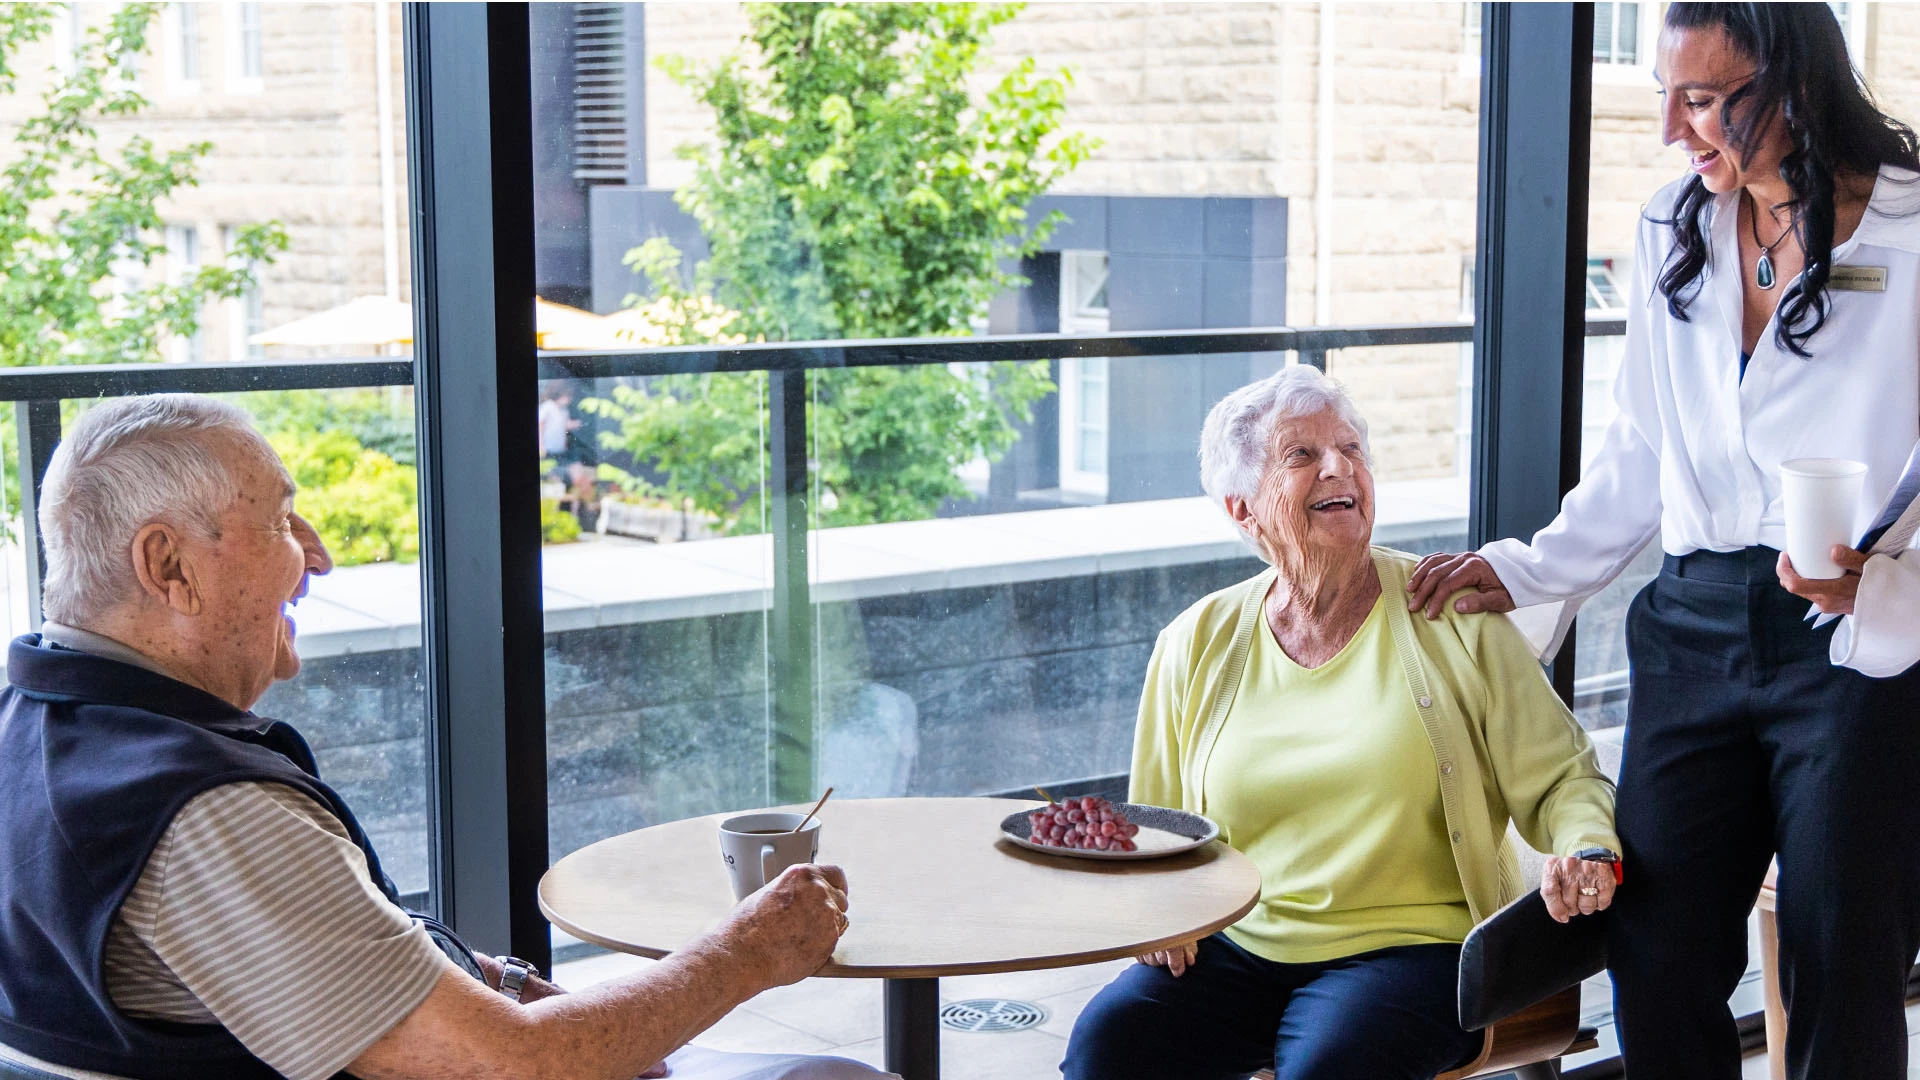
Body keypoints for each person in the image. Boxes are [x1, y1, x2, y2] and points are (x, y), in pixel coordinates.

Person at [0, 395, 891, 1080]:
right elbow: (513, 1065)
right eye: (277, 521)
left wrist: (485, 978)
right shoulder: (204, 816)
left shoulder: (37, 736)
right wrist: (744, 954)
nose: (315, 556)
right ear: (168, 566)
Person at [1405, 6, 1920, 1079]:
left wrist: (1894, 573)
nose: (1673, 130)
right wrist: (1529, 568)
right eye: (1663, 95)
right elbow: (1639, 448)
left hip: (1850, 642)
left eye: (1701, 99)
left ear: (1791, 80)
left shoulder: (1913, 229)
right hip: (1688, 630)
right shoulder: (1668, 226)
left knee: (1842, 962)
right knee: (1656, 954)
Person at [1061, 366, 1620, 1080]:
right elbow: (1159, 831)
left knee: (1332, 1065)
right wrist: (1156, 913)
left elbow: (1561, 778)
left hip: (1413, 948)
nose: (1340, 467)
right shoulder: (1195, 640)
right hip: (1236, 946)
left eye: (1352, 449)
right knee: (1109, 1045)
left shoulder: (1450, 617)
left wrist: (1588, 849)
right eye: (1302, 455)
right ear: (1243, 509)